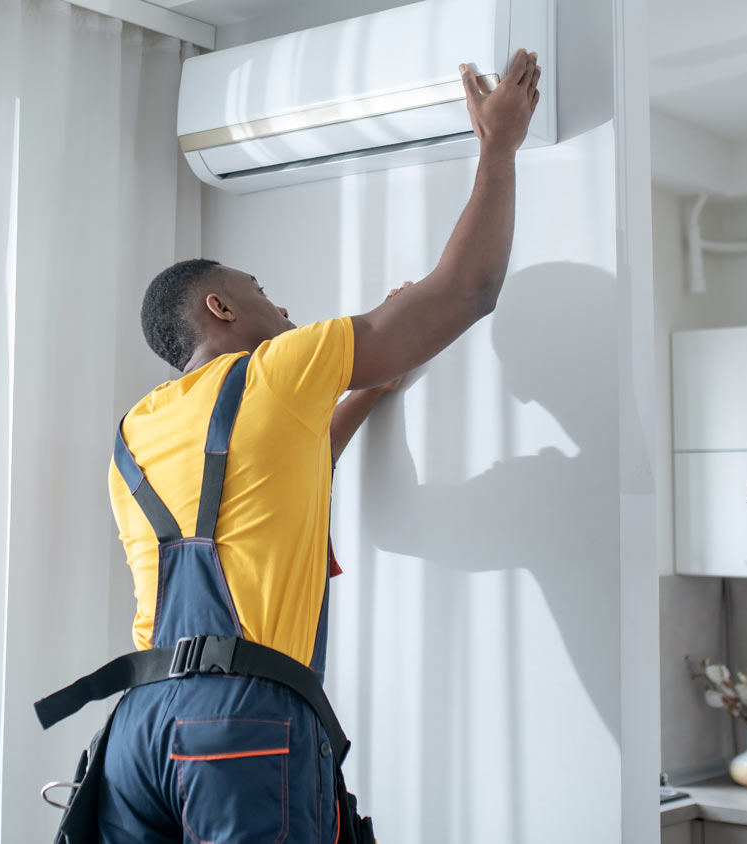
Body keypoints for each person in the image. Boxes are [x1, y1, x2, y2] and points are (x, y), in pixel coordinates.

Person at [39, 48, 542, 844]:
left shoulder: (138, 429)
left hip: (136, 733)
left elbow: (277, 479)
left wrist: (373, 386)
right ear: (220, 308)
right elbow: (468, 290)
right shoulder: (278, 368)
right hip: (239, 728)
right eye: (258, 288)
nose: (279, 303)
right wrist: (499, 146)